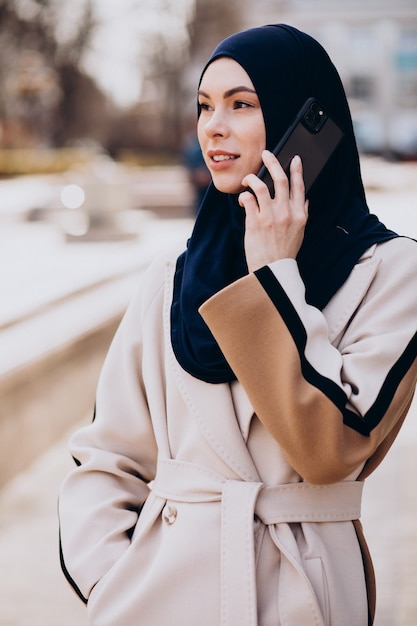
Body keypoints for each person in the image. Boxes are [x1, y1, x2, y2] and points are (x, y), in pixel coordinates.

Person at [58, 24, 417, 626]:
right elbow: (106, 456)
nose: (212, 127)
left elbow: (328, 449)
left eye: (242, 104)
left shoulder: (392, 271)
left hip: (305, 592)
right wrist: (110, 582)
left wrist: (275, 275)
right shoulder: (171, 276)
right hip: (157, 597)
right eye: (205, 106)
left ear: (309, 122)